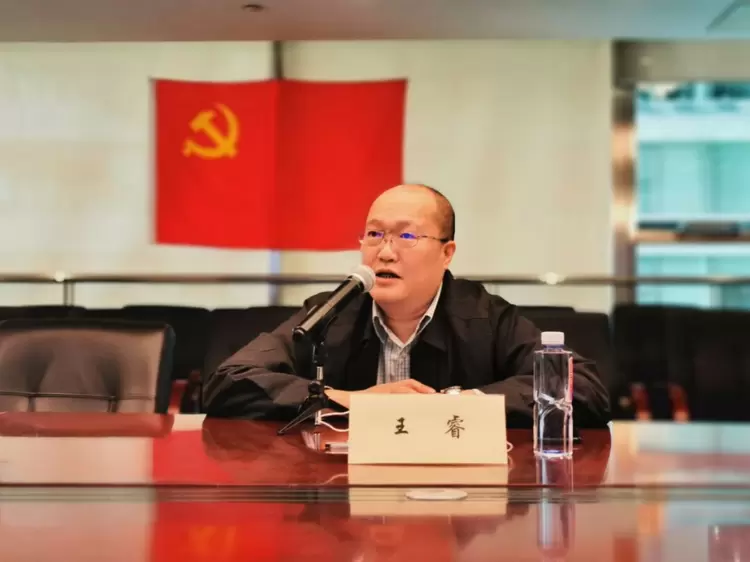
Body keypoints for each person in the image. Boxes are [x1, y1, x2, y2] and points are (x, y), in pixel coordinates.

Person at [203, 184, 611, 428]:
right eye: (374, 235)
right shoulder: (332, 313)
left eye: (407, 237)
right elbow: (228, 381)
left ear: (447, 253)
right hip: (348, 496)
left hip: (457, 500)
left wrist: (456, 405)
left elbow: (583, 387)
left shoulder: (484, 316)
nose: (385, 252)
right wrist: (348, 399)